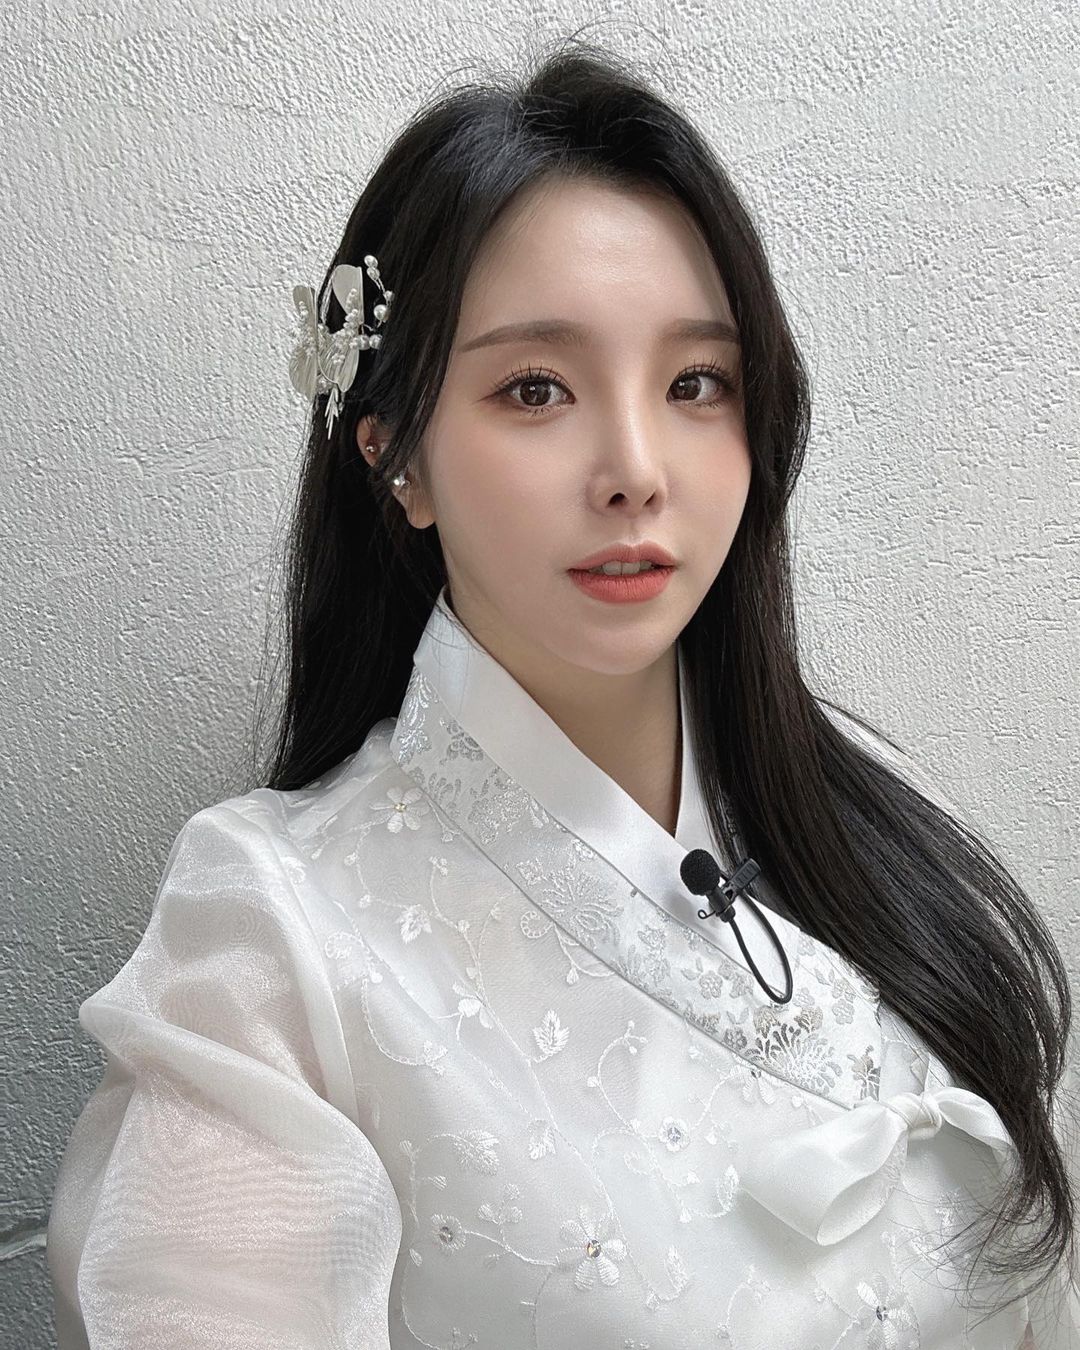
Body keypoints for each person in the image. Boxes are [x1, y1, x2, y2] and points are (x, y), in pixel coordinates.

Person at [47, 37, 1079, 1349]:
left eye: (696, 384)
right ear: (397, 458)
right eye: (535, 389)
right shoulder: (271, 942)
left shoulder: (859, 815)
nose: (637, 468)